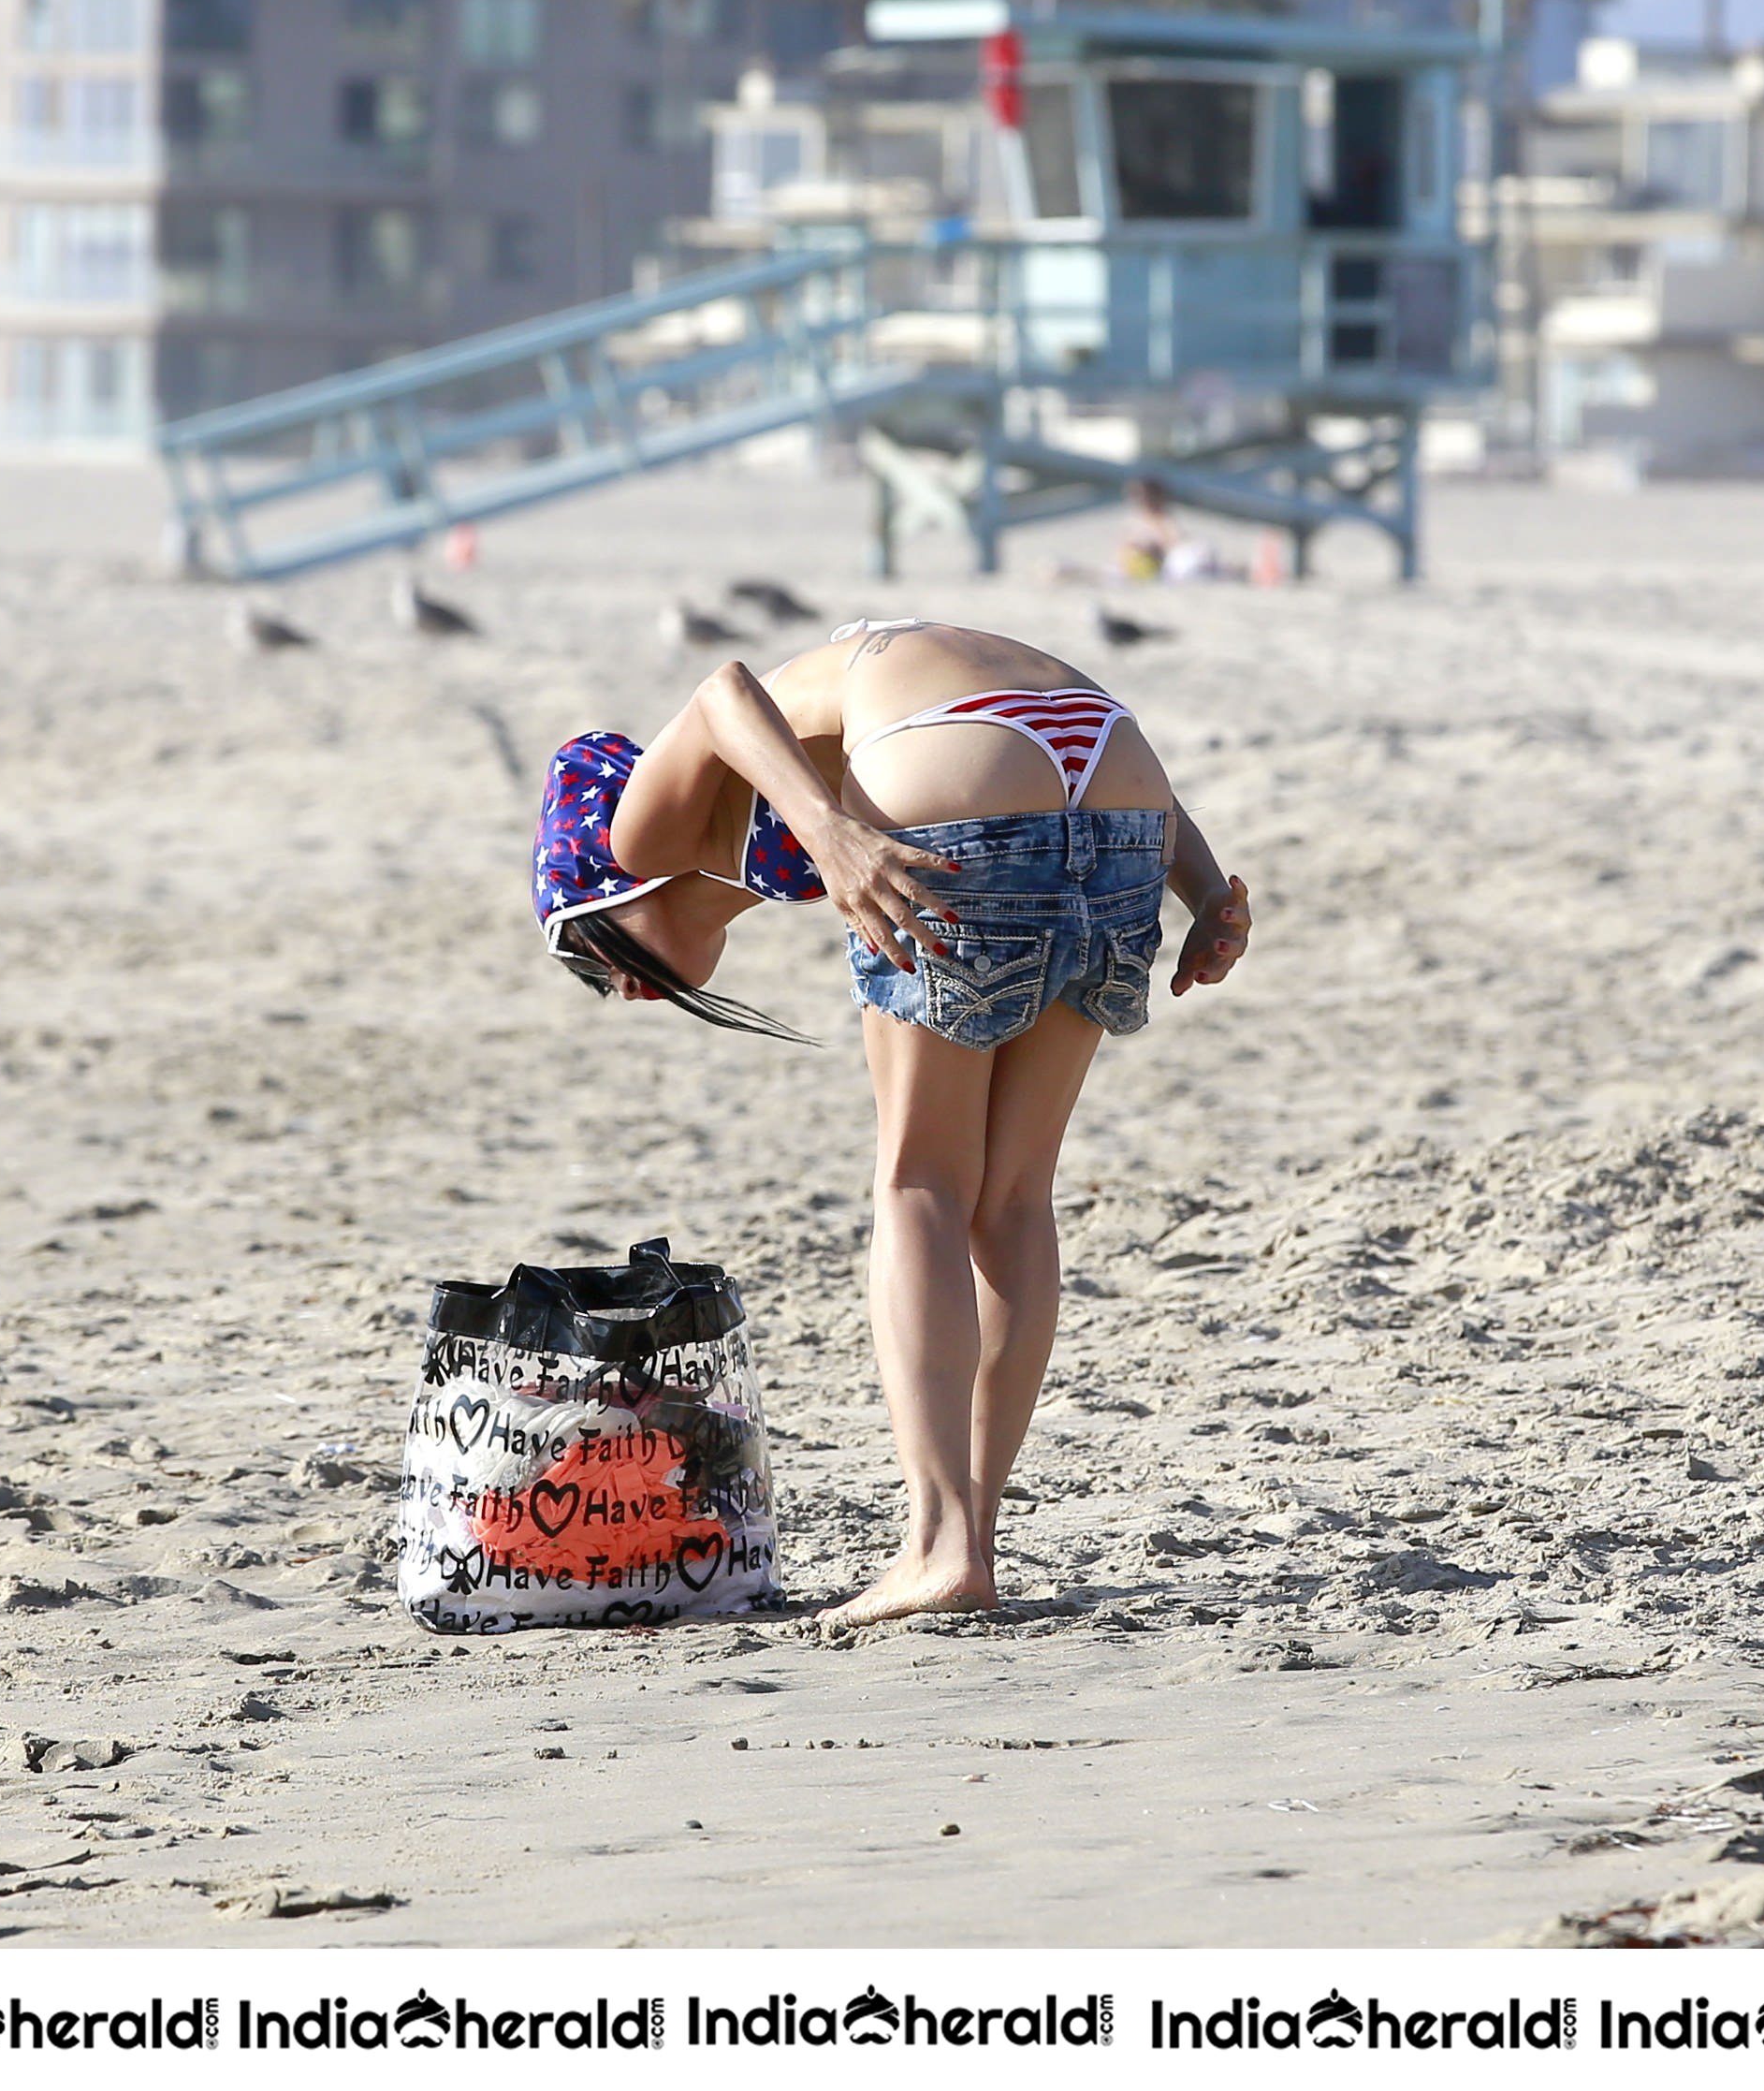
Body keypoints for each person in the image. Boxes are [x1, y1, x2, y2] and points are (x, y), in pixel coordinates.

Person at [532, 619, 1250, 1629]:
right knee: (1011, 1197)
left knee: (923, 1184)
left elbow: (723, 688)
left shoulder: (633, 835)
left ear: (604, 896)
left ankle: (942, 1547)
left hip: (977, 776)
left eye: (584, 957)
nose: (618, 989)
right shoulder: (766, 806)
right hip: (1121, 785)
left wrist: (830, 834)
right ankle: (973, 1542)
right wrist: (1206, 889)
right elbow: (1048, 735)